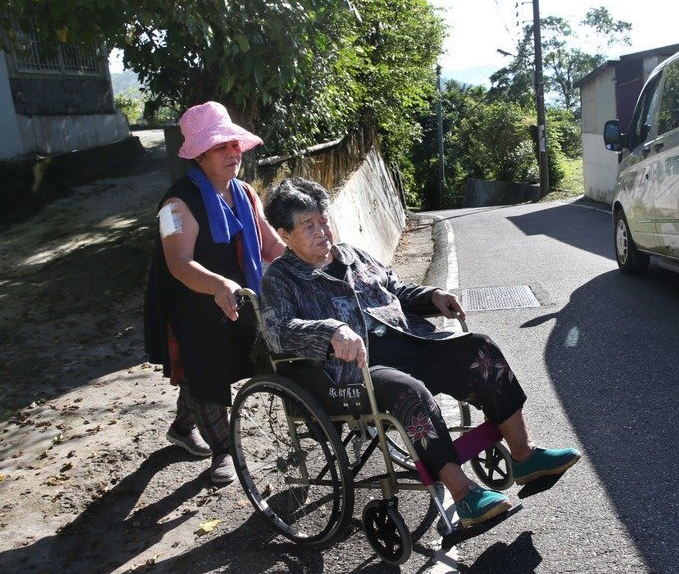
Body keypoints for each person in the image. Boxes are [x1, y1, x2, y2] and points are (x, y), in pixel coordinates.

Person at [261, 177, 580, 527]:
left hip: (411, 342)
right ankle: (464, 495)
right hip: (355, 372)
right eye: (308, 225)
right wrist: (330, 331)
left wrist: (432, 296)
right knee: (407, 389)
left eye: (324, 220)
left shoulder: (352, 254)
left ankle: (525, 455)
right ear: (284, 234)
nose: (322, 230)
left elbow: (395, 288)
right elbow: (277, 332)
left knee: (480, 348)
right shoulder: (280, 278)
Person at [144, 101, 286, 485]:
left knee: (229, 362)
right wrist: (219, 284)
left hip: (238, 296)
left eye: (234, 144)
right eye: (221, 146)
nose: (232, 152)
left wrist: (309, 264)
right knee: (204, 371)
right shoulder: (175, 204)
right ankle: (224, 450)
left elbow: (270, 246)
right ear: (200, 154)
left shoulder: (244, 193)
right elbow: (178, 263)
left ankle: (180, 427)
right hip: (190, 302)